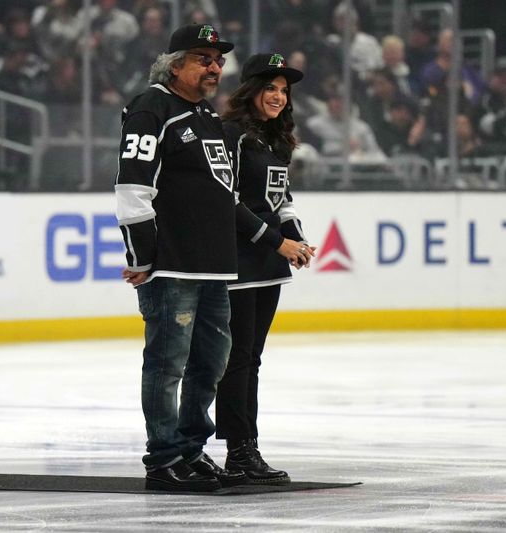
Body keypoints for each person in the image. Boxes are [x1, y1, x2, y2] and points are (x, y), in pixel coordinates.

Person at [114, 23, 248, 492]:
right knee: (168, 364)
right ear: (175, 66)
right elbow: (133, 189)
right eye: (203, 59)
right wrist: (142, 255)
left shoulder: (205, 114)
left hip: (213, 267)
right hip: (172, 267)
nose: (215, 67)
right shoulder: (154, 107)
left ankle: (191, 450)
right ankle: (164, 457)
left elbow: (222, 194)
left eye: (218, 60)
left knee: (211, 362)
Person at [217, 53, 315, 484]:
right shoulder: (232, 135)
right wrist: (279, 242)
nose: (277, 96)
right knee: (237, 358)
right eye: (269, 88)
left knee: (251, 358)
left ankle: (247, 447)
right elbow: (228, 203)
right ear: (250, 90)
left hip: (269, 264)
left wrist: (296, 237)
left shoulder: (278, 140)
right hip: (238, 262)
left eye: (283, 90)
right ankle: (238, 451)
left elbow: (282, 200)